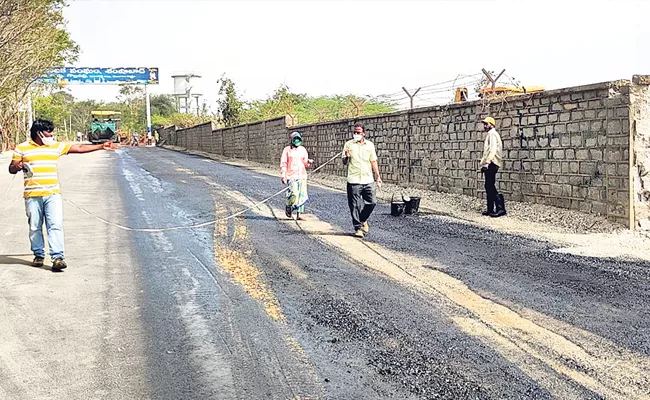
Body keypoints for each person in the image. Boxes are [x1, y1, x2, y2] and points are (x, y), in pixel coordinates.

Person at [8, 119, 116, 271]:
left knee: (55, 225)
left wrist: (100, 146)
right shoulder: (22, 148)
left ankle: (57, 257)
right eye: (48, 133)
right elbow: (11, 169)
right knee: (34, 226)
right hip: (32, 195)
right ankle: (38, 254)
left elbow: (78, 147)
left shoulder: (55, 146)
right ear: (39, 133)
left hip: (53, 194)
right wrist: (17, 166)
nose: (51, 135)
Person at [342, 122, 383, 238]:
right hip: (354, 180)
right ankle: (357, 228)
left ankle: (363, 219)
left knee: (372, 202)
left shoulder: (369, 145)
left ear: (363, 133)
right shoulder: (348, 145)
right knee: (354, 205)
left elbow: (373, 161)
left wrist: (378, 176)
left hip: (368, 179)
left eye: (358, 132)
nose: (356, 134)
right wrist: (346, 156)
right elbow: (344, 162)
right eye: (354, 132)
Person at [280, 131, 312, 220]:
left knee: (302, 195)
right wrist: (283, 175)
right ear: (291, 140)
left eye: (298, 139)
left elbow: (305, 163)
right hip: (291, 176)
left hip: (302, 176)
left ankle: (299, 214)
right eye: (295, 139)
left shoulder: (303, 150)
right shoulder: (287, 150)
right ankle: (288, 206)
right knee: (294, 194)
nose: (297, 141)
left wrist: (308, 162)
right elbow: (284, 163)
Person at [479, 116, 506, 217]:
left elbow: (493, 150)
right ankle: (490, 209)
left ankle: (500, 208)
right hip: (491, 162)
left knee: (490, 185)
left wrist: (487, 162)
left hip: (492, 163)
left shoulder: (492, 134)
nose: (485, 126)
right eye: (484, 124)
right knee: (488, 185)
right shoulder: (491, 134)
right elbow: (487, 151)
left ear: (491, 124)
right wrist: (483, 162)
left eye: (486, 124)